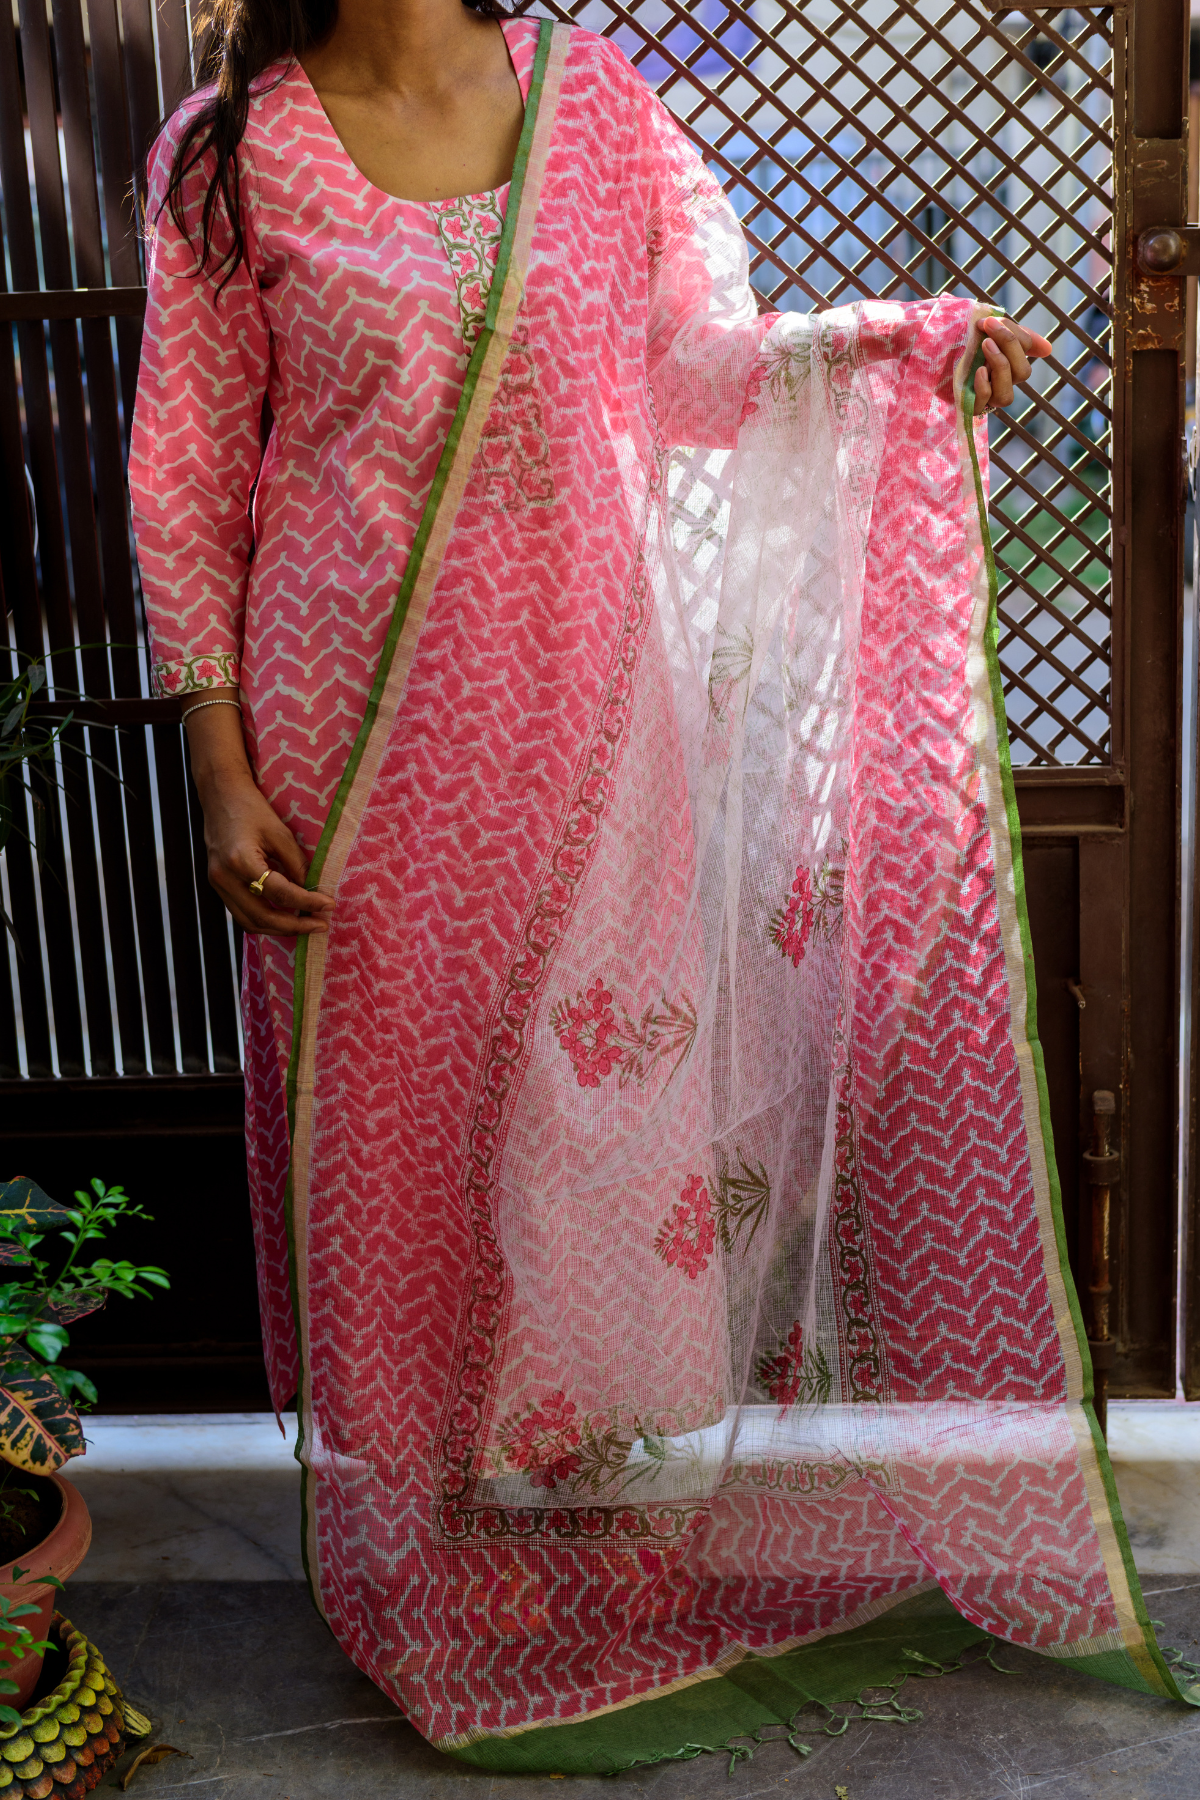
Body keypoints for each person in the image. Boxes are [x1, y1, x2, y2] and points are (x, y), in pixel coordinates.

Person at [129, 0, 1186, 1769]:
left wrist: (874, 347)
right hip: (350, 735)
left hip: (587, 712)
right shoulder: (234, 152)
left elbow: (686, 368)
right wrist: (219, 763)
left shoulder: (596, 103)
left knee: (594, 1113)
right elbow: (180, 474)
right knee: (396, 1128)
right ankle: (427, 1567)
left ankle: (577, 1531)